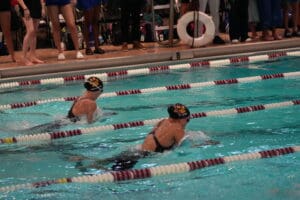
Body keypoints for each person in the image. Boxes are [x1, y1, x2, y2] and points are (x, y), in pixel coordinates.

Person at [18, 0, 45, 65]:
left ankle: (32, 56)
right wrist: (25, 8)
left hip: (36, 5)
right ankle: (23, 57)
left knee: (34, 32)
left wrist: (42, 7)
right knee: (30, 31)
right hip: (26, 5)